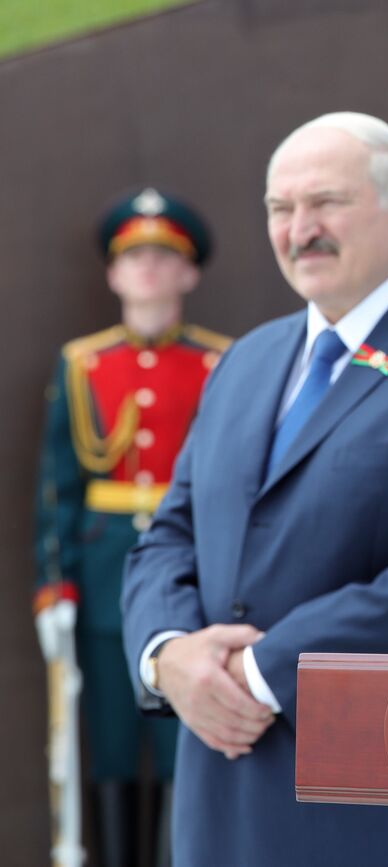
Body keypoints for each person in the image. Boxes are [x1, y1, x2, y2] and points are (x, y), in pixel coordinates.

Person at [121, 112, 388, 866]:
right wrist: (168, 656)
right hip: (223, 806)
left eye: (325, 202)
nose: (301, 229)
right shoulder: (245, 362)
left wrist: (259, 672)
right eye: (279, 209)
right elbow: (170, 533)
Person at [34, 188, 229, 867]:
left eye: (162, 256)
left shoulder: (218, 363)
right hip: (102, 569)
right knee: (112, 745)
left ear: (188, 272)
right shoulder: (84, 363)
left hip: (193, 576)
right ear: (113, 274)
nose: (147, 269)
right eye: (134, 257)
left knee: (186, 744)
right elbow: (58, 485)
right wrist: (53, 585)